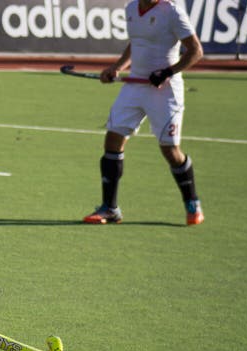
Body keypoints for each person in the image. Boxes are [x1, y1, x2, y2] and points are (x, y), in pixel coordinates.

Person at [83, 0, 204, 226]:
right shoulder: (131, 8)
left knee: (170, 150)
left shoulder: (173, 12)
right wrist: (117, 67)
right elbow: (136, 43)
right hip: (134, 86)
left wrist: (168, 72)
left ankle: (192, 202)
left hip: (165, 90)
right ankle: (110, 208)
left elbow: (196, 51)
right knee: (112, 139)